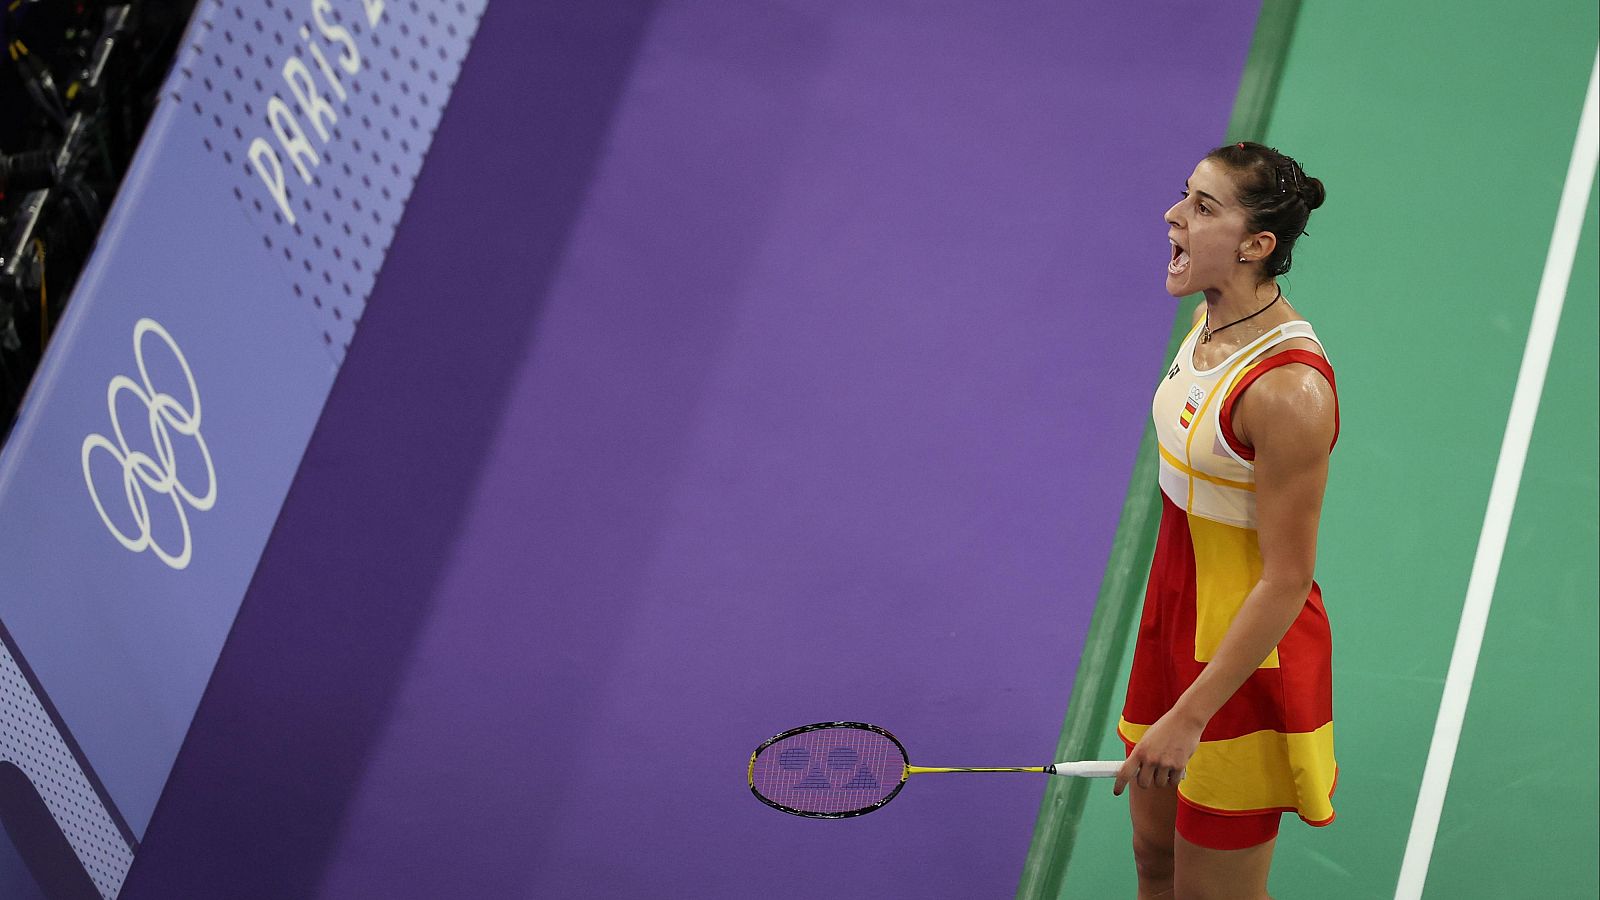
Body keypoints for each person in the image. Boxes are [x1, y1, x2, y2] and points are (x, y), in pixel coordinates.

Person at [1111, 141, 1338, 900]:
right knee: (1154, 862)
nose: (1173, 216)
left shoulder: (1288, 392)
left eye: (1203, 208)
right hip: (1172, 620)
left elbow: (1286, 576)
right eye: (1186, 196)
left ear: (1256, 245)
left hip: (1242, 660)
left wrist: (1191, 713)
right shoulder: (1209, 321)